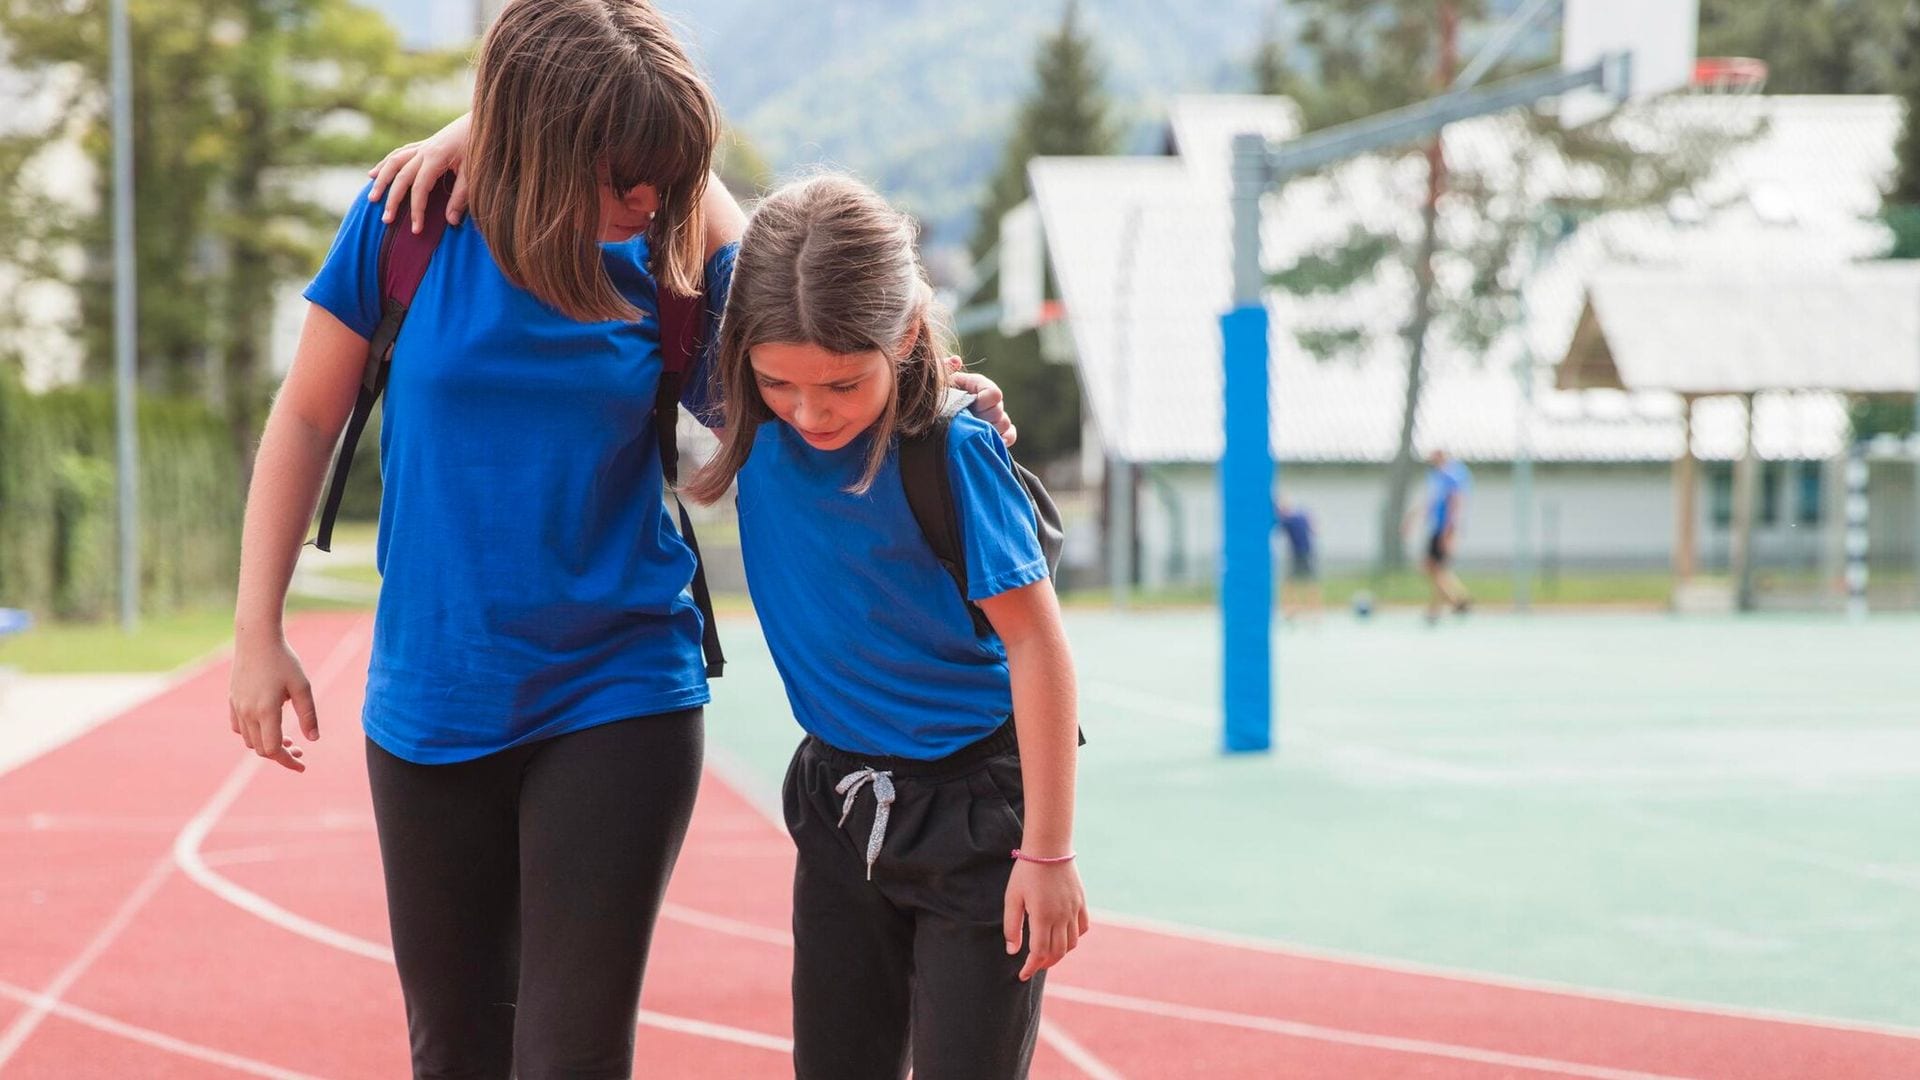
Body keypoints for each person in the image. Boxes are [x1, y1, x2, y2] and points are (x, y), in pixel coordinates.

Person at [225, 4, 1013, 1076]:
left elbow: (824, 320)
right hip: (430, 696)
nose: (647, 202)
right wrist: (254, 628)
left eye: (666, 178)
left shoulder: (677, 258)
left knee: (570, 1056)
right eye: (622, 178)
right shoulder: (407, 224)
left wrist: (940, 396)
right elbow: (309, 416)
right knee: (454, 1050)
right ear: (534, 149)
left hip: (620, 690)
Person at [682, 174, 1088, 1080]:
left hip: (976, 820)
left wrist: (1049, 852)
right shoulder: (756, 417)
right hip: (837, 805)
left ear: (905, 336)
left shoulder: (955, 449)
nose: (811, 410)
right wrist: (471, 131)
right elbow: (685, 171)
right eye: (779, 378)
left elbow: (1037, 643)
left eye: (842, 383)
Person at [1407, 449, 1472, 623]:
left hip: (1444, 528)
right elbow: (1429, 502)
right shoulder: (1436, 476)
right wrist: (1412, 519)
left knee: (1435, 568)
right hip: (1437, 527)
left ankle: (1447, 604)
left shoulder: (1452, 475)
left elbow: (1455, 502)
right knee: (1434, 569)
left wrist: (1449, 530)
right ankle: (1457, 599)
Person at [1274, 498, 1322, 621]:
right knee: (1305, 581)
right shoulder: (1300, 514)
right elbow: (1313, 527)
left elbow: (1276, 527)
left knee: (1294, 582)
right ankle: (1309, 610)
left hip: (1300, 554)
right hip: (1305, 552)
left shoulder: (1288, 520)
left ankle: (1296, 610)